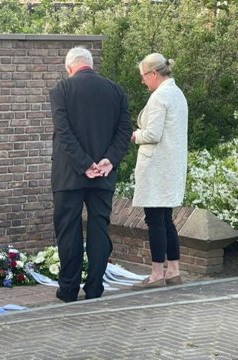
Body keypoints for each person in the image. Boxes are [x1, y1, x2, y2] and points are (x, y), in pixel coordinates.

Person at [50, 47, 132, 302]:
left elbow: (64, 133)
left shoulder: (61, 91)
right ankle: (95, 288)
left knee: (68, 230)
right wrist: (109, 160)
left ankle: (69, 289)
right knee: (99, 229)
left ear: (69, 68)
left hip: (68, 175)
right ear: (91, 64)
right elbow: (125, 130)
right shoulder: (116, 90)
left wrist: (85, 164)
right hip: (104, 175)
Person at [131, 53, 188, 289]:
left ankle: (156, 274)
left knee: (154, 220)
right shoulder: (177, 94)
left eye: (144, 76)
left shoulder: (159, 97)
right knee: (166, 220)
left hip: (156, 166)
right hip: (171, 165)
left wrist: (135, 135)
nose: (143, 81)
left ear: (154, 73)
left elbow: (152, 134)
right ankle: (173, 270)